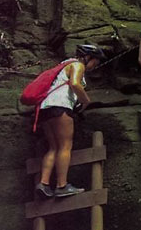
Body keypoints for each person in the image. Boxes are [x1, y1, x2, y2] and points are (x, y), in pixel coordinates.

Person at [35, 44, 105, 198]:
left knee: (53, 147)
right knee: (65, 146)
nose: (95, 66)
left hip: (44, 109)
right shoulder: (77, 64)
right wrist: (86, 101)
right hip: (60, 107)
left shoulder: (62, 66)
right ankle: (62, 186)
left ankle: (44, 183)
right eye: (95, 62)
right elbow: (74, 84)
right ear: (88, 57)